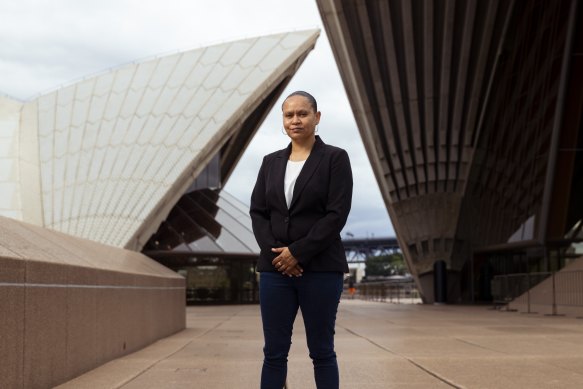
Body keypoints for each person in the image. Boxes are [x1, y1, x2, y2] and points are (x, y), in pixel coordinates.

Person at [250, 91, 353, 389]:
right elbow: (258, 213)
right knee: (274, 353)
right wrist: (278, 258)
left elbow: (336, 215)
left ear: (317, 117)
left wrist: (297, 253)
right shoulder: (270, 162)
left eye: (302, 113)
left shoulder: (335, 158)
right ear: (283, 120)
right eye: (289, 115)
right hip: (275, 272)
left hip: (320, 269)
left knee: (321, 351)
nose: (295, 120)